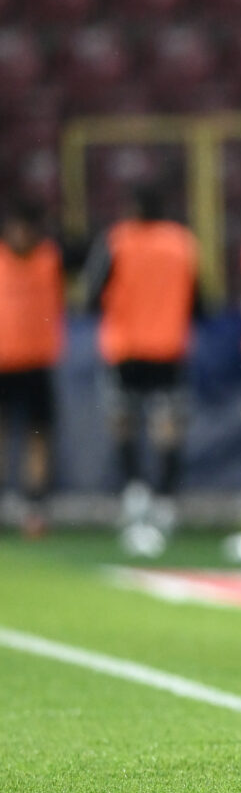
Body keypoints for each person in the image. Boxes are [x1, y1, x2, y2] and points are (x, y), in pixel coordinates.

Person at [84, 183, 200, 524]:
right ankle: (166, 498)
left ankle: (135, 492)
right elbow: (199, 299)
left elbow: (91, 294)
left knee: (124, 421)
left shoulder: (116, 241)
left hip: (126, 348)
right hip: (168, 346)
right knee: (167, 424)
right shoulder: (182, 242)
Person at [0, 199, 63, 538]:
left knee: (37, 437)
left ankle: (34, 506)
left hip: (37, 363)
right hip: (2, 363)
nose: (20, 234)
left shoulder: (50, 258)